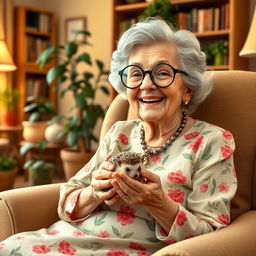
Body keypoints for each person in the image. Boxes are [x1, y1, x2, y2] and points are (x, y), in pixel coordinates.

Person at [0, 18, 237, 256]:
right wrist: (94, 192)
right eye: (135, 73)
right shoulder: (120, 132)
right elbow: (67, 199)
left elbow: (211, 235)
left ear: (188, 89)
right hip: (62, 240)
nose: (146, 84)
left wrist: (158, 203)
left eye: (162, 73)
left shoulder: (211, 141)